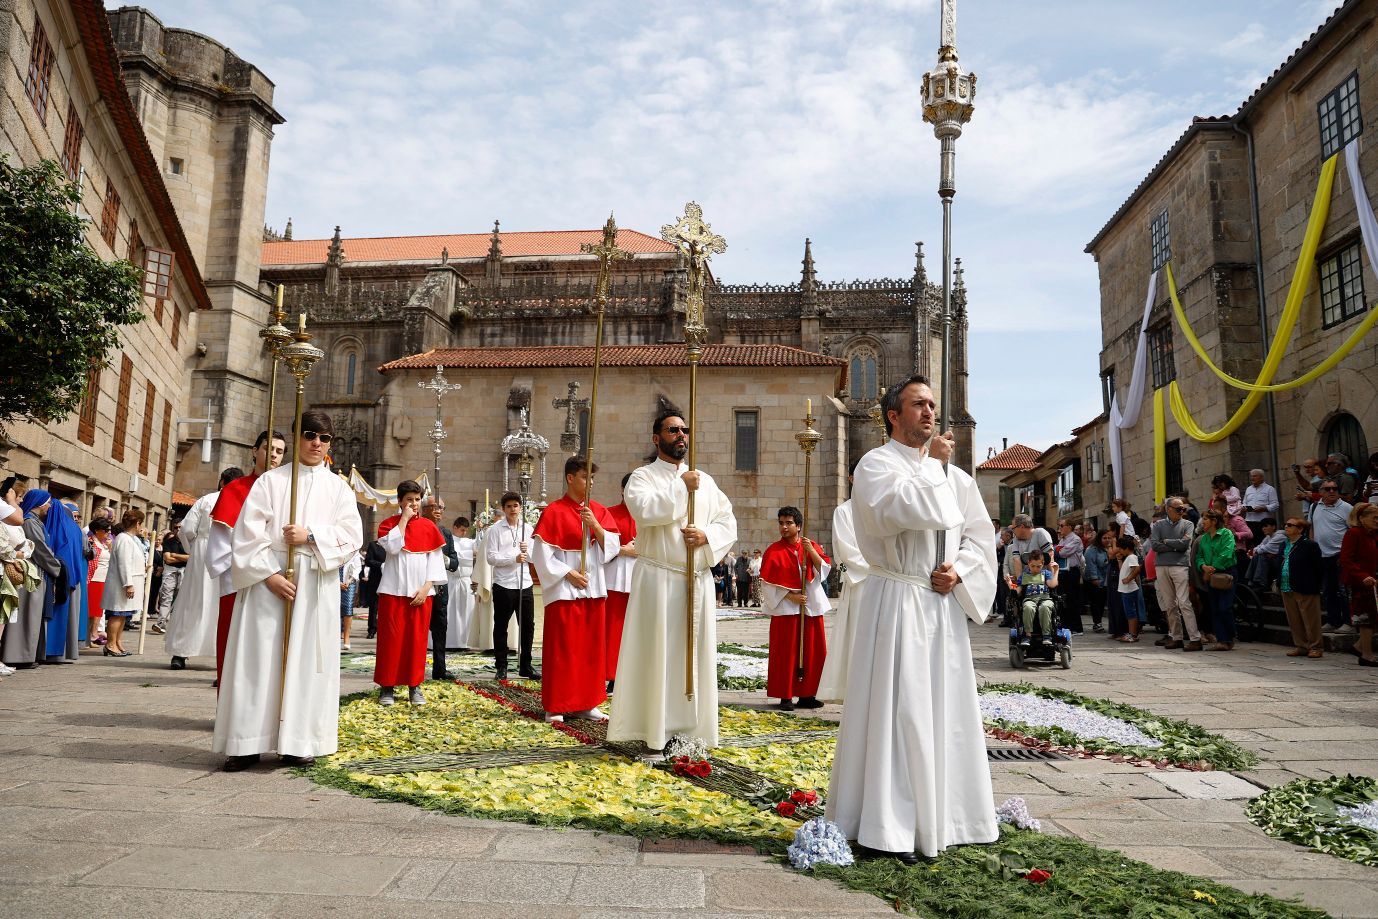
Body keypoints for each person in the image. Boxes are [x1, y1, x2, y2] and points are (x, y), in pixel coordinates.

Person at [826, 376, 998, 865]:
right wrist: (937, 467)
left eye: (933, 405)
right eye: (918, 405)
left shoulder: (957, 480)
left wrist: (959, 570)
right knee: (899, 710)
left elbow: (980, 539)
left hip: (940, 605)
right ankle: (890, 822)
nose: (929, 413)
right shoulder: (876, 465)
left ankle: (949, 816)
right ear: (892, 416)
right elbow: (903, 511)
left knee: (944, 710)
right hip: (897, 599)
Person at [215, 410, 363, 770]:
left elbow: (353, 537)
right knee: (258, 659)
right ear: (298, 437)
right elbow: (247, 534)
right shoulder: (271, 482)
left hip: (315, 583)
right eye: (310, 435)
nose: (317, 443)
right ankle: (247, 742)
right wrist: (269, 575)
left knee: (305, 662)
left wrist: (310, 534)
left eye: (324, 438)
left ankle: (299, 741)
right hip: (270, 581)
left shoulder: (338, 488)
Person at [607, 411, 737, 751]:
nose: (680, 435)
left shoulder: (705, 481)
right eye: (672, 430)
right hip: (659, 579)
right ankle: (653, 729)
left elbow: (728, 521)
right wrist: (682, 488)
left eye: (684, 430)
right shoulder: (643, 477)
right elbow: (646, 511)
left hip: (696, 579)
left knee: (694, 658)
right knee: (659, 655)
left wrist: (706, 535)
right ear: (656, 438)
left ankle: (692, 728)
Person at [532, 457, 621, 722]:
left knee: (591, 651)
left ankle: (587, 703)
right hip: (564, 591)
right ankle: (556, 705)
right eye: (585, 477)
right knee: (563, 650)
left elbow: (613, 548)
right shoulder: (554, 512)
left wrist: (595, 525)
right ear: (570, 478)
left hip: (593, 590)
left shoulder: (598, 511)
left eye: (592, 478)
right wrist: (567, 573)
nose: (590, 482)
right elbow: (541, 555)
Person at [207, 430, 287, 684]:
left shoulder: (286, 490)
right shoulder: (235, 490)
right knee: (235, 653)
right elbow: (220, 549)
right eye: (268, 448)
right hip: (240, 584)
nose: (273, 454)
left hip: (280, 583)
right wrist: (258, 572)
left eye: (279, 451)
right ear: (255, 451)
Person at [373, 480, 445, 706]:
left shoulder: (429, 527)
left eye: (417, 499)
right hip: (393, 592)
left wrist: (426, 588)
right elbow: (393, 547)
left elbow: (435, 561)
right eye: (409, 500)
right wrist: (404, 519)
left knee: (416, 642)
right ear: (400, 501)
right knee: (391, 641)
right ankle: (387, 687)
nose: (414, 504)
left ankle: (415, 686)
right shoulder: (388, 525)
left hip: (420, 595)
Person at [166, 469, 242, 670]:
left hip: (203, 551)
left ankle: (180, 654)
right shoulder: (242, 501)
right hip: (230, 554)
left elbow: (187, 529)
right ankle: (222, 655)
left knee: (193, 601)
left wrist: (194, 551)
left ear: (222, 482)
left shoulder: (206, 500)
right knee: (221, 604)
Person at [760, 505, 831, 711]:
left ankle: (808, 694)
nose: (784, 527)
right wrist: (790, 596)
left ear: (798, 526)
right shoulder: (773, 551)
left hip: (810, 608)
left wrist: (811, 552)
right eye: (781, 523)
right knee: (785, 653)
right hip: (786, 610)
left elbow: (823, 569)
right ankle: (785, 695)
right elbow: (767, 584)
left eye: (789, 523)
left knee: (813, 652)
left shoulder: (811, 546)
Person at [817, 463, 869, 703]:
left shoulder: (880, 509)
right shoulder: (844, 512)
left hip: (887, 582)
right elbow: (846, 553)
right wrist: (877, 569)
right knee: (858, 639)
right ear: (850, 478)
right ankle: (856, 693)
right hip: (861, 584)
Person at [486, 492, 540, 681]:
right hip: (504, 584)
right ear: (504, 508)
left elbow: (535, 557)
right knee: (501, 626)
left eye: (515, 506)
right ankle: (501, 666)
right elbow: (491, 557)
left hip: (524, 583)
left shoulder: (528, 528)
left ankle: (525, 665)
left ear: (520, 507)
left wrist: (527, 552)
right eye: (508, 506)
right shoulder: (495, 530)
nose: (512, 509)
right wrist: (514, 558)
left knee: (528, 626)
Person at [1151, 499, 1202, 651]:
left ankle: (1195, 638)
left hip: (1180, 566)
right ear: (1168, 509)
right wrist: (1175, 545)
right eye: (1178, 508)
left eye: (1183, 508)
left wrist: (1166, 542)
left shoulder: (1188, 524)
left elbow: (1185, 545)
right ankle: (1176, 637)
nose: (1182, 511)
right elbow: (1154, 545)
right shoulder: (1158, 525)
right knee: (1169, 604)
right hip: (1161, 566)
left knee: (1184, 602)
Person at [42, 499, 88, 663]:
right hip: (73, 577)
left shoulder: (55, 527)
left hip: (58, 577)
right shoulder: (75, 529)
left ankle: (50, 651)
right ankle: (63, 652)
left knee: (56, 615)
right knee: (69, 617)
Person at [603, 476, 637, 691]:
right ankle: (611, 675)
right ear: (622, 490)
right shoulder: (610, 513)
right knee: (613, 628)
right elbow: (600, 542)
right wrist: (623, 550)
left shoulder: (649, 514)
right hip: (614, 576)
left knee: (635, 629)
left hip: (640, 575)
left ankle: (634, 675)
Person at [422, 494, 459, 681]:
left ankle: (440, 669)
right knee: (419, 632)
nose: (438, 510)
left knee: (440, 630)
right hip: (421, 588)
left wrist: (444, 560)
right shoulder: (418, 528)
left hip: (440, 589)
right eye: (434, 506)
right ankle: (416, 669)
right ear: (424, 510)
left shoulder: (446, 534)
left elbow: (454, 562)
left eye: (441, 507)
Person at [102, 509, 148, 658]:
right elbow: (124, 563)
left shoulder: (130, 538)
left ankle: (117, 642)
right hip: (121, 584)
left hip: (131, 581)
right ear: (138, 523)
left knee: (123, 615)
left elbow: (132, 560)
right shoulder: (123, 539)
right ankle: (110, 644)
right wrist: (128, 584)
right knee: (117, 614)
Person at [1311, 480, 1354, 634]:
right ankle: (1332, 620)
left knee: (1343, 590)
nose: (1332, 491)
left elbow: (1353, 532)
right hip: (1322, 555)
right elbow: (1312, 528)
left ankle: (1348, 622)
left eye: (1335, 488)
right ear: (1321, 491)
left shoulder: (1347, 508)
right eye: (1327, 489)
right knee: (1328, 590)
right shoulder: (1315, 506)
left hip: (1340, 555)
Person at [1278, 516, 1324, 658]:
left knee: (1311, 619)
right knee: (1294, 619)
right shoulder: (1284, 544)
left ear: (1300, 529)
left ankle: (1316, 646)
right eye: (1286, 524)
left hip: (1305, 586)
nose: (1286, 527)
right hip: (1287, 586)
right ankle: (1301, 645)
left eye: (1290, 525)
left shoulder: (1309, 545)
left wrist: (1316, 585)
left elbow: (1318, 567)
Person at [1340, 502, 1378, 666]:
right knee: (1365, 619)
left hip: (1373, 581)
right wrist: (1362, 576)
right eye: (1374, 518)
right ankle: (1366, 655)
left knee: (1374, 617)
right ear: (1362, 518)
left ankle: (1358, 647)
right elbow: (1346, 559)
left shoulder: (1374, 535)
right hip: (1359, 582)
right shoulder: (1353, 534)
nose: (1377, 521)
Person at [1195, 509, 1238, 651]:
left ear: (1214, 521)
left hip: (1225, 573)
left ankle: (1229, 636)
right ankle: (1222, 639)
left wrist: (1212, 568)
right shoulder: (1205, 537)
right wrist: (1203, 566)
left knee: (1225, 607)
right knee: (1214, 607)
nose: (1203, 523)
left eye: (1205, 519)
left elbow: (1227, 553)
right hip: (1211, 575)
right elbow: (1199, 556)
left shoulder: (1226, 534)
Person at [1016, 549, 1058, 647]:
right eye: (1033, 566)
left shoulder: (1045, 573)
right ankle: (1027, 635)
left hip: (1045, 598)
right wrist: (1010, 585)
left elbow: (1052, 585)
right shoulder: (1024, 576)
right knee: (1028, 607)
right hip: (1029, 599)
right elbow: (1018, 590)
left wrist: (1056, 571)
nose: (1035, 569)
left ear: (1042, 564)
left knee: (1045, 607)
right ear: (1028, 563)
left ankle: (1046, 635)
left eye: (1038, 566)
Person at [448, 517, 476, 653]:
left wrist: (483, 530)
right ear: (455, 527)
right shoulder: (449, 540)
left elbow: (479, 547)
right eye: (462, 530)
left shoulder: (468, 541)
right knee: (451, 612)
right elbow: (455, 556)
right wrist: (471, 554)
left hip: (465, 580)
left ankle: (464, 641)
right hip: (452, 580)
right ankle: (450, 642)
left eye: (466, 530)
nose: (464, 533)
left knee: (466, 611)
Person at [85, 517, 112, 648]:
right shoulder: (91, 542)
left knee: (98, 610)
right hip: (94, 578)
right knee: (93, 610)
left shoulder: (104, 543)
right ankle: (91, 635)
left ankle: (93, 634)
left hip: (103, 578)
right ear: (97, 530)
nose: (108, 533)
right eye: (105, 530)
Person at [1003, 514, 1052, 584]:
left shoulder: (1040, 533)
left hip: (1043, 581)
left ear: (1022, 527)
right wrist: (1020, 584)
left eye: (1013, 528)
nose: (1012, 531)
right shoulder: (1016, 539)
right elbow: (1017, 560)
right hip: (1027, 581)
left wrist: (1052, 582)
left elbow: (1050, 557)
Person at [1053, 518, 1083, 633]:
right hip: (1063, 572)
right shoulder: (1063, 540)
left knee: (1072, 599)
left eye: (1061, 526)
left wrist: (1058, 550)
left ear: (1069, 527)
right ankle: (1066, 625)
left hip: (1072, 572)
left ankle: (1076, 627)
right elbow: (1058, 550)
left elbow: (1063, 552)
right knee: (1063, 599)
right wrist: (1058, 549)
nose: (1059, 529)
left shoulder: (1075, 539)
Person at [1114, 535, 1143, 643]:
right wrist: (1119, 561)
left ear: (1126, 548)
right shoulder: (1128, 558)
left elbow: (1137, 569)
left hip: (1129, 589)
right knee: (1129, 612)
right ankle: (1131, 633)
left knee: (1131, 612)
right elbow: (1124, 570)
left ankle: (1133, 634)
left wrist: (1128, 579)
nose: (1120, 551)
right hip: (1126, 589)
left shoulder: (1131, 557)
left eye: (1121, 548)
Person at [1244, 518, 1285, 591]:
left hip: (1280, 561)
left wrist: (1259, 551)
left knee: (1262, 556)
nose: (1263, 529)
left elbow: (1263, 549)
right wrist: (1258, 551)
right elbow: (1258, 547)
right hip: (1272, 559)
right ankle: (1250, 579)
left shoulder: (1279, 536)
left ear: (1273, 527)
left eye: (1266, 526)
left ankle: (1261, 582)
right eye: (1263, 527)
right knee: (1257, 556)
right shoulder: (1268, 537)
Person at [1242, 469, 1281, 545]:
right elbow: (1244, 502)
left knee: (1261, 543)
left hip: (1262, 522)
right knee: (1249, 544)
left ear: (1262, 477)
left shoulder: (1270, 489)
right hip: (1249, 521)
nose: (1252, 478)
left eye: (1255, 476)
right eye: (1251, 476)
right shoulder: (1248, 489)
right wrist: (1244, 507)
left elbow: (1275, 505)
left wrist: (1264, 508)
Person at [1083, 528, 1109, 633]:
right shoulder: (1092, 550)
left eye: (1108, 538)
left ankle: (1098, 622)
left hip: (1106, 580)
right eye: (1104, 538)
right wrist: (1094, 578)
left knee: (1102, 602)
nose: (1107, 540)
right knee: (1096, 603)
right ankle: (1097, 622)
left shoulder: (1108, 548)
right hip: (1095, 580)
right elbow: (1090, 564)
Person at [339, 544, 361, 652]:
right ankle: (334, 636)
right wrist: (337, 582)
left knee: (347, 608)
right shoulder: (333, 545)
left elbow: (357, 567)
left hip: (349, 582)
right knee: (333, 609)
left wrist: (349, 580)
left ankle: (346, 637)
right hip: (333, 581)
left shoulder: (353, 548)